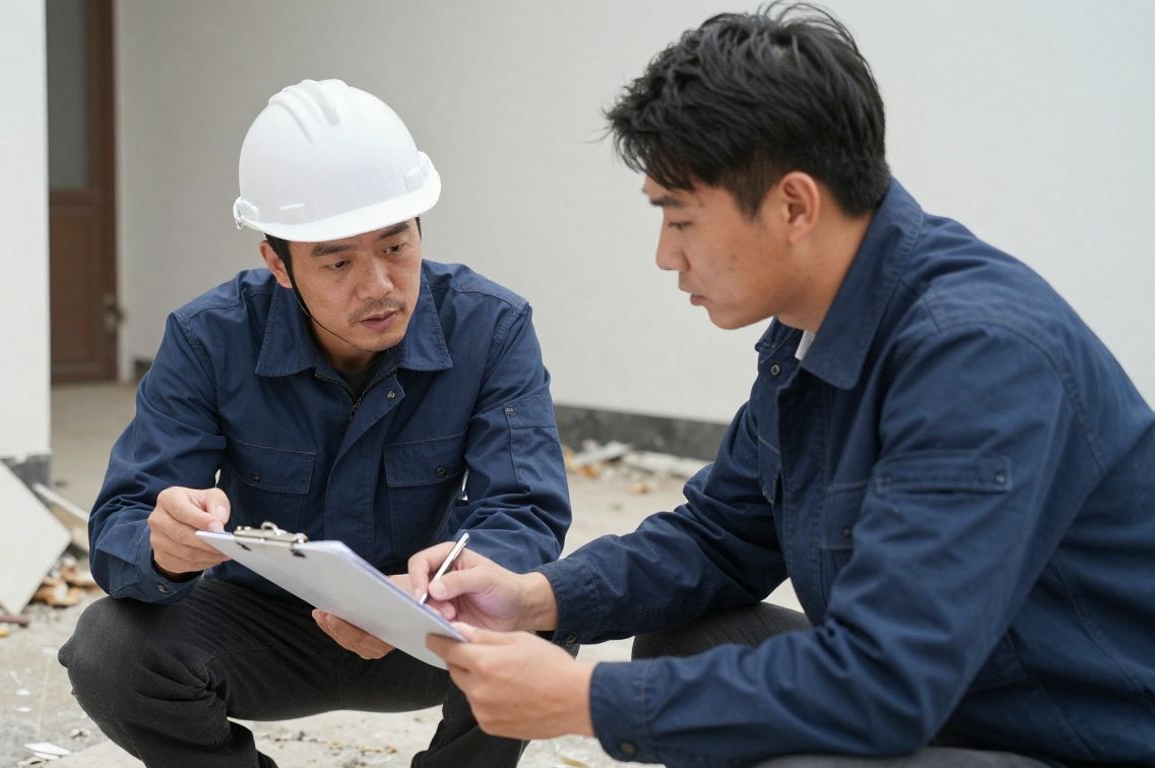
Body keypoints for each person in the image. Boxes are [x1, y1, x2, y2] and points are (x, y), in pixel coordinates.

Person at [419, 6, 1155, 766]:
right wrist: (537, 597)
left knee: (791, 756)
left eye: (680, 219)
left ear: (795, 206)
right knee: (689, 643)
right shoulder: (811, 332)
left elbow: (884, 683)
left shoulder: (976, 357)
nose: (666, 257)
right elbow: (718, 539)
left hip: (1071, 737)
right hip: (956, 706)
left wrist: (583, 702)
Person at [58, 78, 572, 768]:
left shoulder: (491, 327)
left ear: (420, 228)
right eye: (337, 261)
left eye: (396, 247)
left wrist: (431, 589)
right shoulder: (209, 338)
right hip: (265, 630)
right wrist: (164, 545)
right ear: (278, 263)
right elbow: (121, 519)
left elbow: (529, 514)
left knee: (552, 611)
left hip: (432, 624)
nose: (379, 286)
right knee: (108, 649)